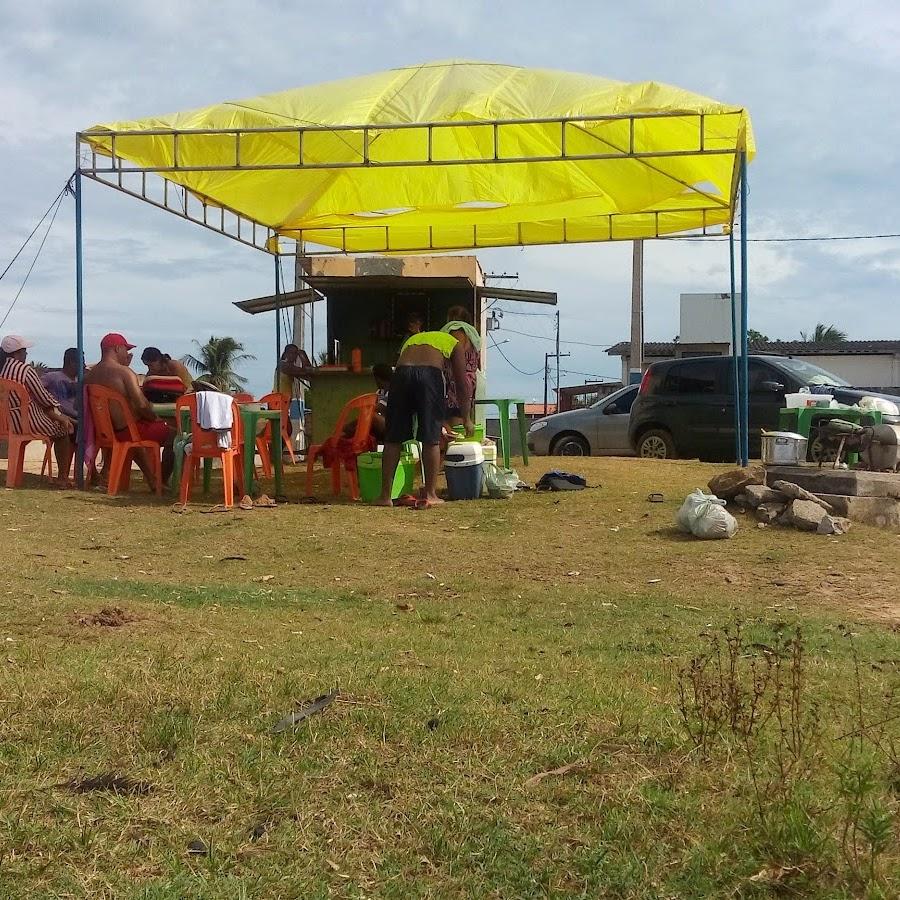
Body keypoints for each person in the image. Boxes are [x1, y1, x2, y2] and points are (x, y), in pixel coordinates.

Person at [376, 332, 472, 508]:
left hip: (400, 375)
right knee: (431, 438)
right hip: (429, 375)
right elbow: (462, 384)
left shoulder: (413, 340)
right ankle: (430, 494)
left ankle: (384, 496)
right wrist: (466, 418)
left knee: (393, 438)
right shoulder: (454, 343)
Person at [85, 333, 175, 491]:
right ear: (117, 348)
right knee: (174, 435)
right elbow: (142, 405)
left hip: (106, 432)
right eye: (125, 350)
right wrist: (155, 418)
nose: (127, 354)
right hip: (128, 432)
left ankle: (153, 481)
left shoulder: (89, 376)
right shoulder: (124, 373)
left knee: (133, 432)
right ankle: (163, 480)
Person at [0, 334, 75, 483]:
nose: (26, 354)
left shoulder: (2, 371)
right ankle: (62, 478)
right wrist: (58, 408)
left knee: (57, 419)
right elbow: (43, 396)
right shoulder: (24, 370)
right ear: (17, 353)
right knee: (63, 431)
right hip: (28, 423)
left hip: (9, 423)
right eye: (24, 351)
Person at [441, 306, 481, 428]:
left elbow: (457, 357)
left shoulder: (457, 331)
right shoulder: (473, 336)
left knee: (455, 421)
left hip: (457, 381)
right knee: (464, 418)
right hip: (469, 380)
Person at [41, 347, 82, 421]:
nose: (84, 365)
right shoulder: (51, 377)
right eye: (82, 362)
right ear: (72, 362)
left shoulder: (81, 381)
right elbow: (36, 389)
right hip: (62, 418)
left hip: (79, 419)